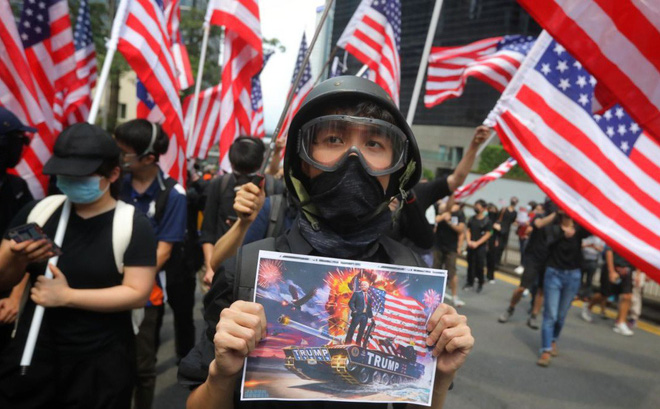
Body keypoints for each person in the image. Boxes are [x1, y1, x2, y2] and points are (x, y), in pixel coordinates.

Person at [179, 76, 473, 409]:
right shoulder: (246, 270)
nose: (353, 158)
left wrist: (439, 379)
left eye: (374, 144)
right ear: (304, 160)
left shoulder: (410, 270)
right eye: (333, 139)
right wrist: (221, 375)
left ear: (396, 169)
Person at [0, 123, 157, 408]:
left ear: (113, 174)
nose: (71, 181)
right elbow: (3, 278)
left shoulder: (133, 224)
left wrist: (67, 296)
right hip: (33, 354)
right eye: (65, 174)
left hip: (100, 364)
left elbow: (137, 292)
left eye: (82, 176)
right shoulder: (38, 212)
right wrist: (15, 257)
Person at [114, 119, 189, 409]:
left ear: (148, 158)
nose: (118, 156)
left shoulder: (173, 194)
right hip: (105, 287)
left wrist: (126, 282)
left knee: (142, 367)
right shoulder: (114, 183)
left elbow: (163, 251)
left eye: (123, 152)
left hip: (145, 295)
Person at [200, 137, 283, 282]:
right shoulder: (219, 185)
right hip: (222, 270)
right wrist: (210, 268)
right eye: (238, 173)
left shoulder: (273, 188)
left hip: (257, 274)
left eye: (250, 175)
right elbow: (208, 231)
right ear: (232, 164)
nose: (244, 181)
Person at [537, 210, 591, 367]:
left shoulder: (579, 230)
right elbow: (548, 242)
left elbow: (592, 227)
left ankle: (553, 340)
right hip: (553, 274)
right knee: (551, 315)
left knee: (561, 316)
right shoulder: (553, 229)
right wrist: (563, 234)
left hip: (573, 276)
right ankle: (546, 350)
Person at [0, 107, 35, 350]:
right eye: (18, 140)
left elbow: (30, 244)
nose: (23, 147)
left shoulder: (17, 188)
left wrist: (15, 296)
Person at [498, 201, 556, 329]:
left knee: (541, 291)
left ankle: (534, 316)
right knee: (522, 287)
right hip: (533, 258)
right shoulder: (540, 216)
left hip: (548, 261)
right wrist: (555, 214)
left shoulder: (558, 223)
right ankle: (510, 308)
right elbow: (538, 224)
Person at [582, 248, 636, 336]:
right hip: (613, 268)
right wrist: (611, 271)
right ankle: (589, 305)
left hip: (626, 270)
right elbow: (609, 251)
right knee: (604, 295)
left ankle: (620, 323)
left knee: (627, 295)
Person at [434, 198, 466, 307]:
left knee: (452, 272)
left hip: (451, 247)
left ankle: (454, 296)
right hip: (438, 245)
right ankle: (433, 295)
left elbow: (461, 229)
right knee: (435, 271)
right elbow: (434, 220)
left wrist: (449, 221)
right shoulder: (441, 209)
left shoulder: (459, 213)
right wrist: (443, 215)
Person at [465, 199, 492, 293]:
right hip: (471, 245)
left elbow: (488, 234)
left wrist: (477, 243)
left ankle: (480, 282)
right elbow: (468, 230)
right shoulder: (472, 219)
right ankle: (470, 282)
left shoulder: (487, 221)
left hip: (480, 247)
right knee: (470, 264)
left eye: (478, 206)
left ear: (483, 208)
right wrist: (468, 241)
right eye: (475, 206)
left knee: (480, 266)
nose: (476, 208)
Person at [345, 280, 374, 346]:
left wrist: (371, 317)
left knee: (361, 331)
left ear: (368, 286)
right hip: (357, 314)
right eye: (362, 285)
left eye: (364, 285)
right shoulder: (356, 293)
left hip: (365, 316)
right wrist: (354, 310)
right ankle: (347, 343)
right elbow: (351, 303)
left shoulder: (369, 297)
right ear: (360, 286)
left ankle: (358, 345)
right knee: (352, 329)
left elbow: (369, 308)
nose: (363, 286)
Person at [579, 235, 604, 301]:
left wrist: (594, 247)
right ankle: (578, 294)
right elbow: (580, 245)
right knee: (579, 278)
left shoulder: (599, 239)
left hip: (593, 260)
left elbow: (602, 249)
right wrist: (588, 245)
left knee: (589, 279)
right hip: (583, 259)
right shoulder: (585, 236)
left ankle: (586, 295)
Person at [496, 197, 518, 265]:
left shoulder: (515, 212)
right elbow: (498, 217)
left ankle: (498, 260)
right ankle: (494, 260)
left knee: (502, 246)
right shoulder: (504, 209)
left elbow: (513, 221)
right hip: (499, 228)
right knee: (497, 244)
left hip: (507, 230)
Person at [486, 202, 500, 283]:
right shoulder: (486, 219)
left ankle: (490, 276)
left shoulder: (497, 221)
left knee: (491, 260)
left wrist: (497, 240)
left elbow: (499, 231)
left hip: (493, 240)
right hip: (485, 240)